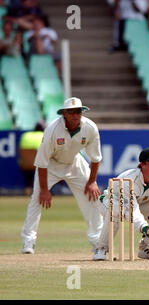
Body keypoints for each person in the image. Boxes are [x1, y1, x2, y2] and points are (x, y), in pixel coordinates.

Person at [21, 97, 104, 254]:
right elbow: (41, 163)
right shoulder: (52, 130)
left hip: (74, 163)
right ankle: (28, 241)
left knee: (92, 197)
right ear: (64, 113)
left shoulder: (90, 128)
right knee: (36, 199)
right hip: (51, 165)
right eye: (71, 112)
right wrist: (45, 190)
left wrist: (92, 181)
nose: (75, 115)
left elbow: (95, 158)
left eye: (78, 111)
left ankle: (98, 242)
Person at [92, 147, 149, 262]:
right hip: (110, 200)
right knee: (117, 210)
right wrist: (144, 228)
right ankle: (101, 248)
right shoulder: (130, 180)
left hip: (136, 203)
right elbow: (131, 209)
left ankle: (146, 247)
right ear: (142, 164)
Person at [18, 121, 45, 196]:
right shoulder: (43, 135)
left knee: (28, 178)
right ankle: (42, 191)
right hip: (39, 164)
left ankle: (28, 191)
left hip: (26, 163)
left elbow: (21, 150)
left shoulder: (25, 135)